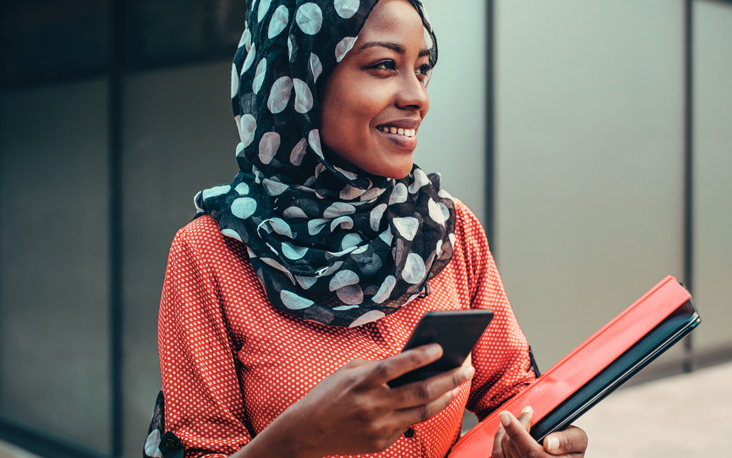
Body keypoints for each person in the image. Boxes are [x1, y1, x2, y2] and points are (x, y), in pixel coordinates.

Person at [146, 1, 589, 457]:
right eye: (382, 65)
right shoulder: (211, 253)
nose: (417, 96)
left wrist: (540, 436)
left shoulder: (446, 228)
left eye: (421, 69)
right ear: (299, 82)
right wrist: (298, 439)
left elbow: (514, 393)